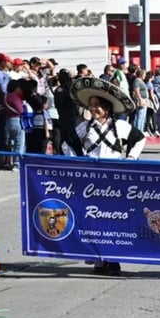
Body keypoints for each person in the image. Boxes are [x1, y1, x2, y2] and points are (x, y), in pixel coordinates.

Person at [63, 77, 146, 276]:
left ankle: (113, 260)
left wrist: (131, 158)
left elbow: (140, 138)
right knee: (93, 219)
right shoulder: (83, 128)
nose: (93, 109)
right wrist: (78, 163)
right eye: (91, 106)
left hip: (115, 179)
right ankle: (99, 260)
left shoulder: (121, 127)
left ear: (106, 108)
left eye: (97, 106)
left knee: (114, 219)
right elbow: (68, 145)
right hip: (91, 180)